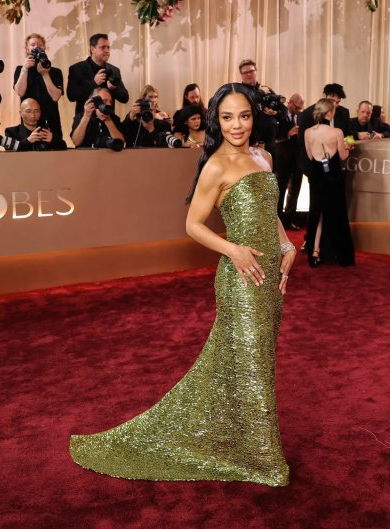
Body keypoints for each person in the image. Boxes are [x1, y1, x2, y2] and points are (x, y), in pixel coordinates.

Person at [70, 82, 295, 487]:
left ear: (254, 117)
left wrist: (286, 245)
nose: (237, 125)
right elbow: (193, 225)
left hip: (268, 279)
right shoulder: (217, 166)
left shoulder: (264, 157)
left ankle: (238, 440)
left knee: (252, 363)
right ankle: (262, 459)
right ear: (216, 120)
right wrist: (233, 250)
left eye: (244, 116)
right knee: (250, 365)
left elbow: (268, 211)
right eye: (227, 117)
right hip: (240, 280)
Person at [304, 98, 354, 268]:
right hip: (333, 175)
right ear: (330, 112)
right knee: (336, 213)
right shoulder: (337, 132)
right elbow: (343, 156)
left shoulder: (308, 132)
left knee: (316, 213)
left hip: (316, 175)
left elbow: (310, 156)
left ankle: (314, 252)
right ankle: (340, 254)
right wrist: (348, 147)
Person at [13, 33, 64, 140]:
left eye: (39, 45)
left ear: (44, 48)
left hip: (50, 120)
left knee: (54, 148)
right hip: (29, 122)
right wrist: (25, 69)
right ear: (27, 49)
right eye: (33, 45)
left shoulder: (55, 72)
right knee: (28, 147)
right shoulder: (20, 70)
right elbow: (20, 92)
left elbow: (55, 97)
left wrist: (45, 74)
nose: (36, 47)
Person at [67, 33, 128, 116]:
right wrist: (94, 83)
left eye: (108, 47)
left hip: (108, 119)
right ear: (92, 49)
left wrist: (114, 89)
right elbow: (71, 96)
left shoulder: (114, 70)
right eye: (103, 47)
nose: (107, 50)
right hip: (85, 119)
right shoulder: (77, 69)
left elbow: (125, 98)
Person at [275, 92, 304, 230]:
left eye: (300, 108)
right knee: (280, 191)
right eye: (297, 107)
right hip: (283, 160)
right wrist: (288, 133)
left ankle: (289, 220)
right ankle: (278, 222)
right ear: (290, 103)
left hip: (298, 161)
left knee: (295, 192)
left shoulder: (302, 117)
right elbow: (275, 137)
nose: (298, 110)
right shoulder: (280, 115)